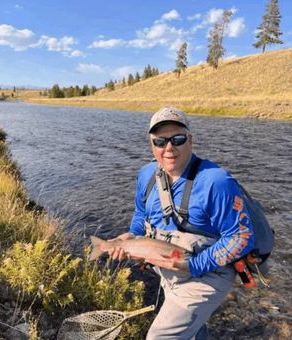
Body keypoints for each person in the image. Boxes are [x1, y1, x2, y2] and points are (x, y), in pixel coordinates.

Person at [109, 106, 255, 339]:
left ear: (190, 140)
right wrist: (132, 236)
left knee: (159, 337)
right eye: (160, 141)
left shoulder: (216, 182)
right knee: (192, 330)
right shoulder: (146, 175)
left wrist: (192, 266)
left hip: (207, 274)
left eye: (177, 139)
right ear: (151, 144)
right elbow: (140, 213)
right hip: (169, 266)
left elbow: (242, 237)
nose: (169, 148)